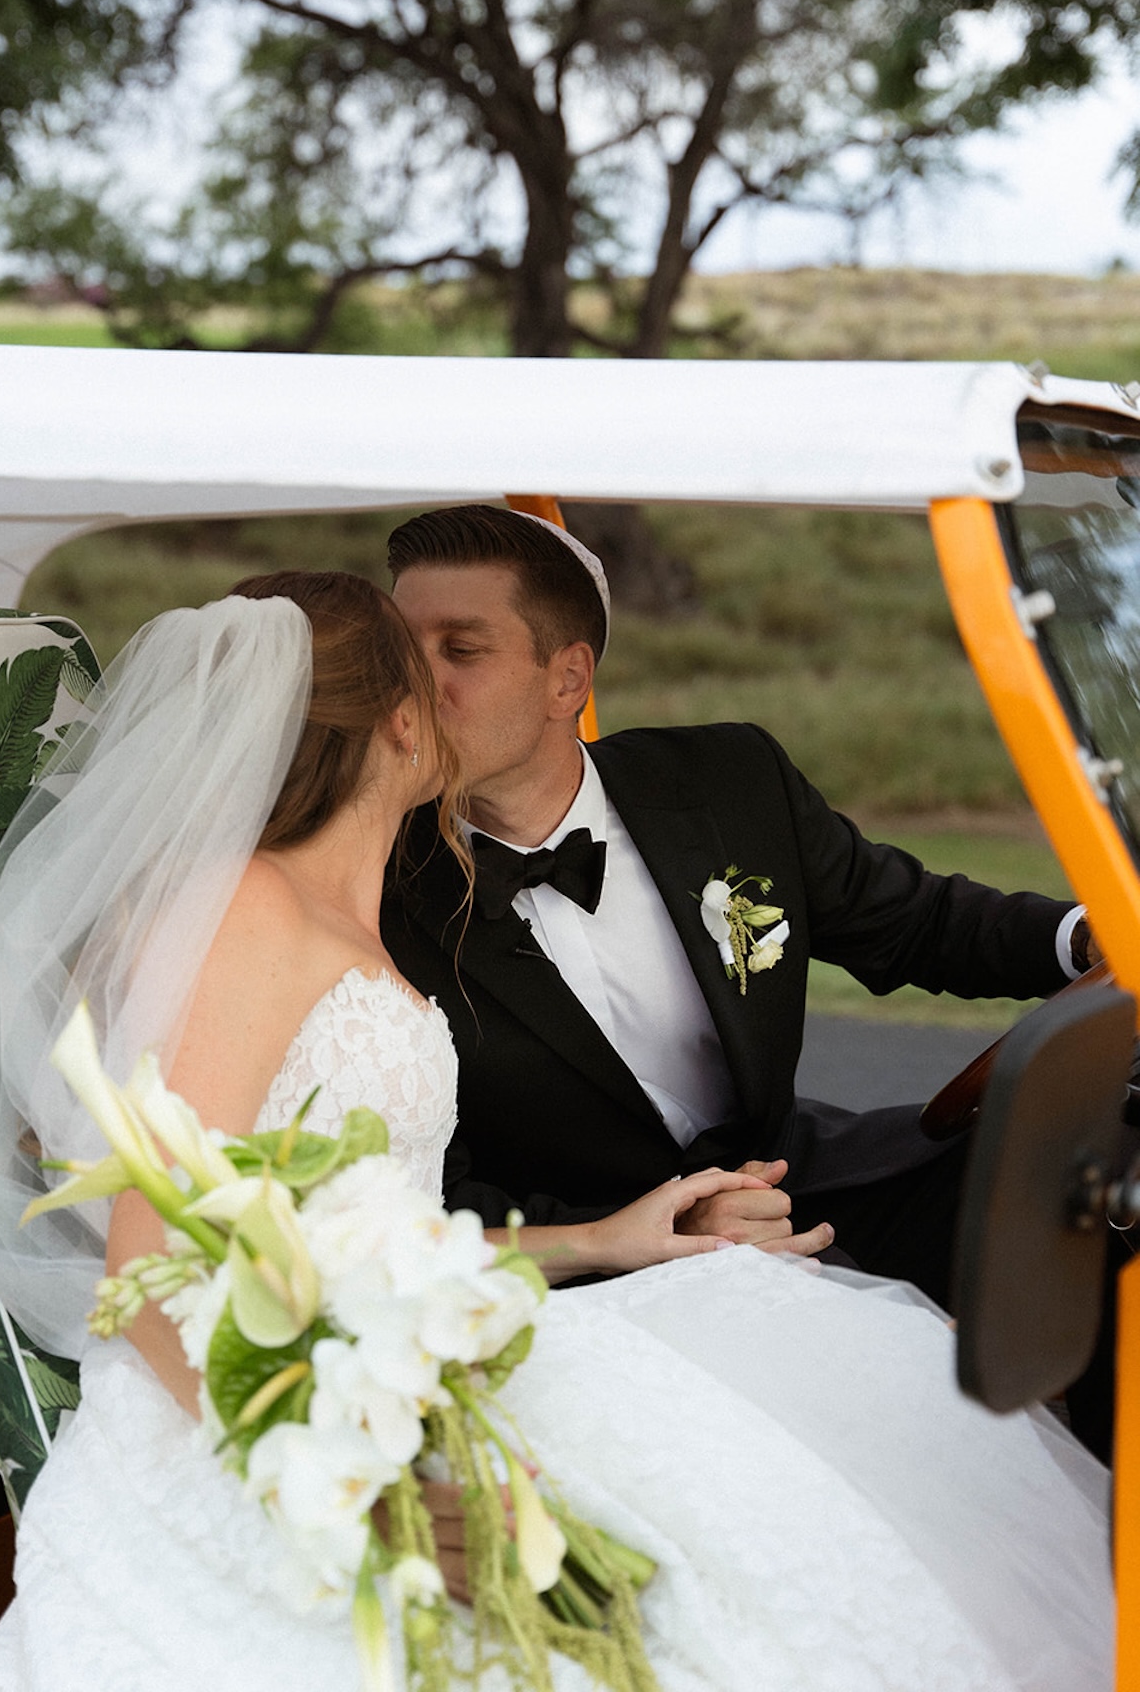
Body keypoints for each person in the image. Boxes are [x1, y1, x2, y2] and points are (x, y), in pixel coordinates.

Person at [0, 579, 1112, 1691]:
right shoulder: (247, 920)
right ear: (404, 729)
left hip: (396, 1356)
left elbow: (376, 1238)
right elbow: (153, 1271)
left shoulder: (350, 914)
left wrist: (608, 1238)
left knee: (840, 1480)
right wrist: (375, 1496)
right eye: (430, 675)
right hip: (264, 1424)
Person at [379, 504, 1116, 1448]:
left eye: (461, 649)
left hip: (806, 1173)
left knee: (1100, 1186)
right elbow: (433, 1189)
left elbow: (914, 921)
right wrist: (656, 1233)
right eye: (405, 649)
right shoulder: (377, 888)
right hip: (604, 1266)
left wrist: (1094, 936)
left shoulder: (725, 779)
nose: (417, 683)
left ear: (568, 676)